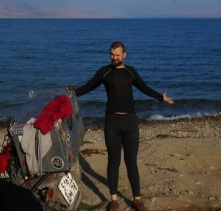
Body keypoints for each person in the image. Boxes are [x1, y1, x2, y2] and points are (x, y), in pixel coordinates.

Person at [69, 41, 174, 211]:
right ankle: (114, 200)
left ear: (124, 54)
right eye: (112, 54)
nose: (114, 58)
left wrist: (160, 97)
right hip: (112, 122)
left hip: (130, 122)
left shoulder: (131, 71)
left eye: (117, 55)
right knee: (113, 162)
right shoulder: (105, 72)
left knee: (131, 162)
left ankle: (137, 199)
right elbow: (89, 86)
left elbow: (144, 87)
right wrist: (71, 94)